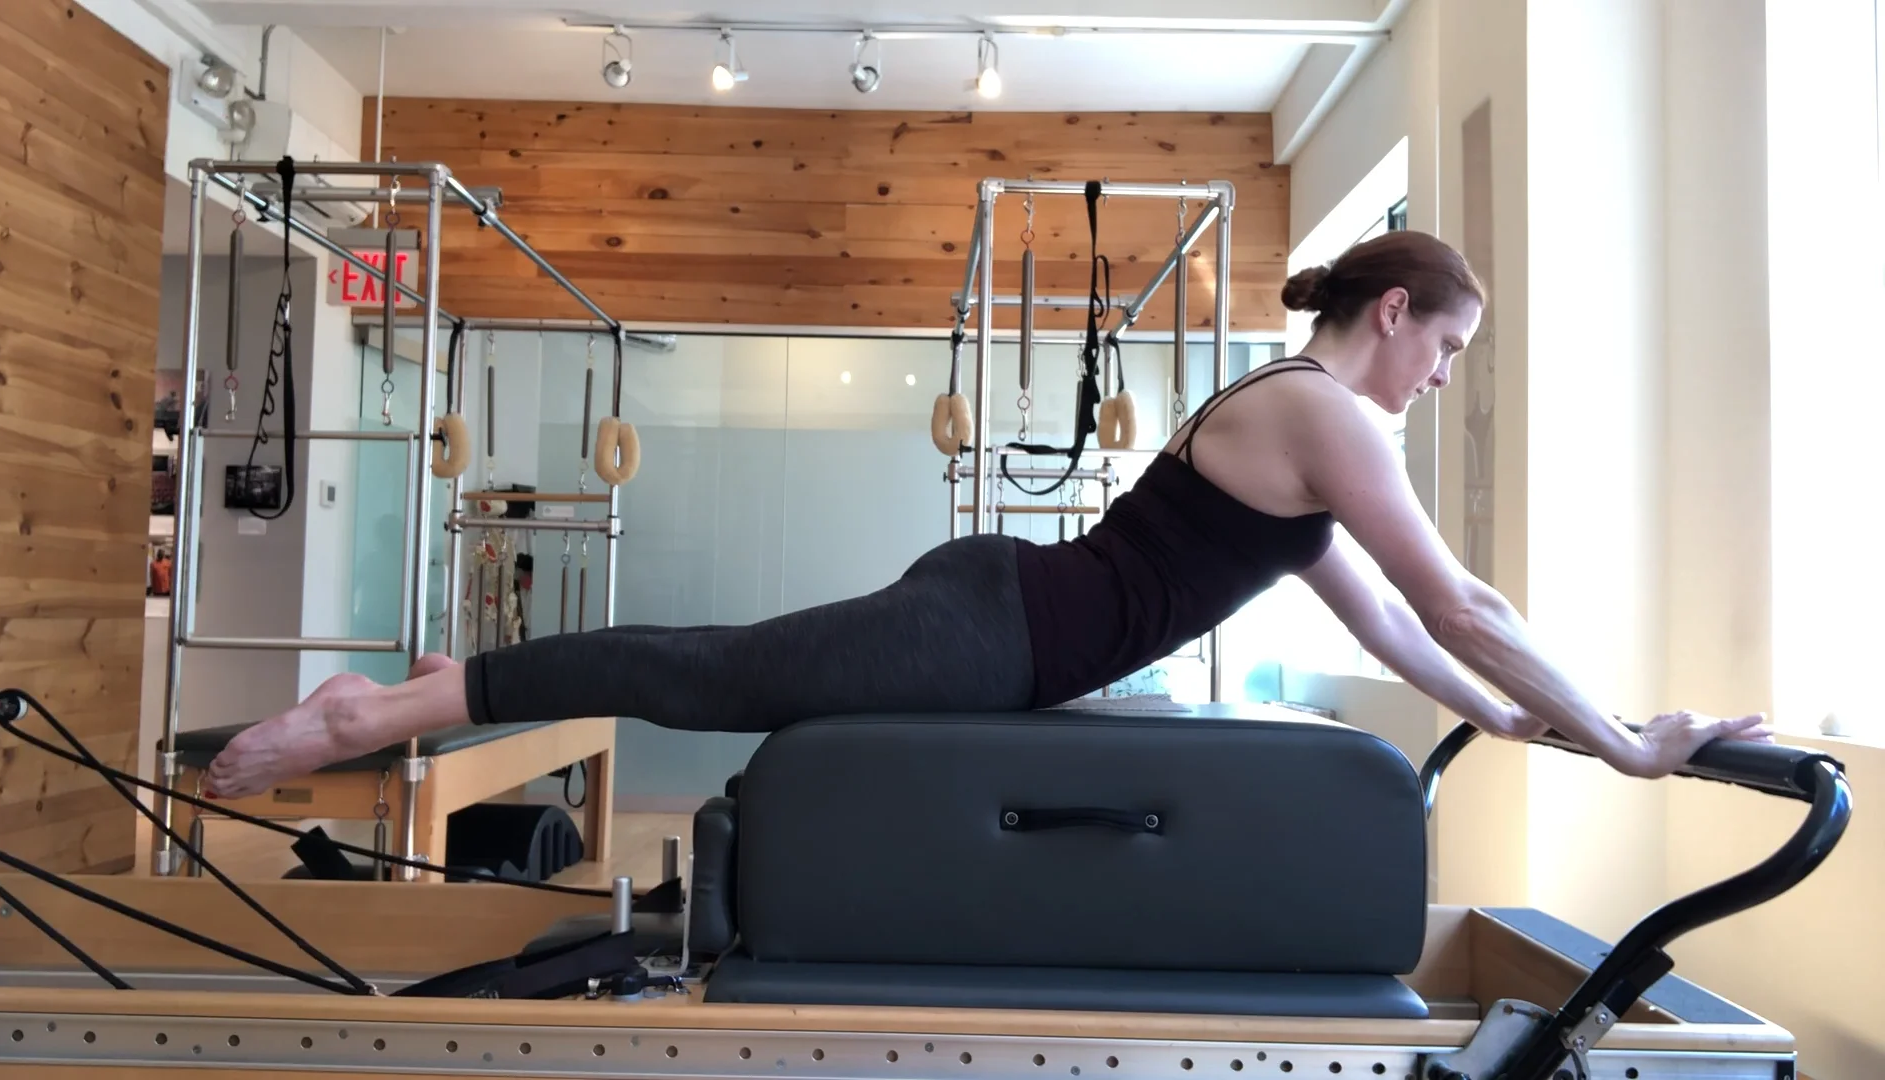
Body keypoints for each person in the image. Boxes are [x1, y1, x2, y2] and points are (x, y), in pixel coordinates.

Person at [202, 229, 1769, 799]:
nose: (1442, 380)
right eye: (1449, 350)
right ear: (1400, 310)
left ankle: (395, 702)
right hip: (994, 627)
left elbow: (1407, 636)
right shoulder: (1319, 411)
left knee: (726, 670)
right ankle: (381, 710)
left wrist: (1541, 728)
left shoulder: (1301, 427)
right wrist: (1624, 748)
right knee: (713, 674)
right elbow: (1464, 607)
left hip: (1000, 606)